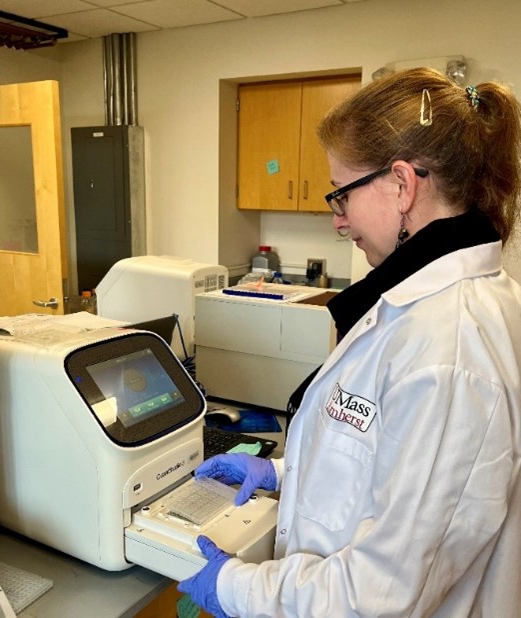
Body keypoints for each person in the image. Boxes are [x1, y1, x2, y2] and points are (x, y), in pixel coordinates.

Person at [178, 67, 521, 617]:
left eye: (342, 195)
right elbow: (387, 468)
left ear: (402, 184)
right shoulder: (413, 305)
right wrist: (281, 474)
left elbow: (383, 593)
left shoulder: (449, 348)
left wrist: (236, 590)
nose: (339, 222)